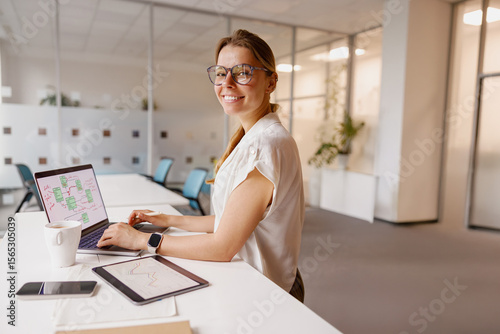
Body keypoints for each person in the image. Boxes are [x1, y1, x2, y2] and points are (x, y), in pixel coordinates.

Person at [97, 29, 305, 302]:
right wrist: (168, 220)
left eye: (242, 72)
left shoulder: (264, 145)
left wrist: (142, 241)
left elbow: (223, 246)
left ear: (270, 82)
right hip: (255, 280)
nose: (227, 83)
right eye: (221, 73)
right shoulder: (255, 138)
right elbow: (231, 221)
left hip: (264, 292)